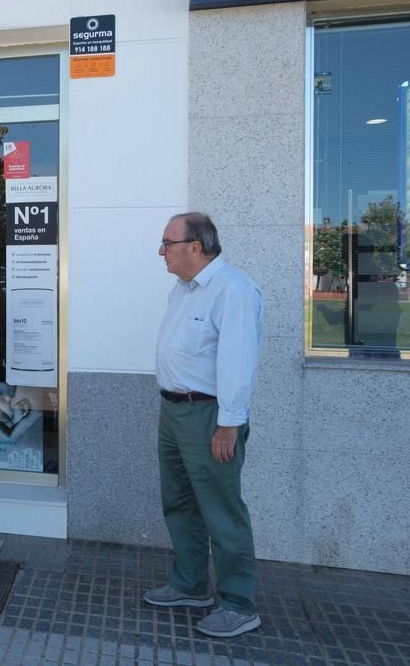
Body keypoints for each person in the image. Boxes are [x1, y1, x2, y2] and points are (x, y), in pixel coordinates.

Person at [145, 212, 264, 638]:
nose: (161, 251)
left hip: (210, 417)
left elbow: (238, 361)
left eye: (167, 243)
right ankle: (190, 585)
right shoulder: (183, 290)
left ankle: (238, 604)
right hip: (173, 412)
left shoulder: (232, 289)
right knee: (179, 502)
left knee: (221, 509)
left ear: (194, 247)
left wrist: (228, 425)